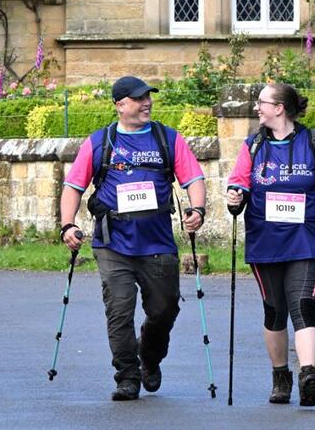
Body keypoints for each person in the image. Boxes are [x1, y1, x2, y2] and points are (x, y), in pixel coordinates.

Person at [60, 76, 207, 401]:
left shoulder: (168, 139)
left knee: (165, 309)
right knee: (119, 310)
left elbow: (194, 178)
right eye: (139, 99)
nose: (146, 103)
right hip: (113, 243)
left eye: (148, 97)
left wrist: (198, 209)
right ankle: (127, 376)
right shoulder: (100, 142)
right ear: (120, 105)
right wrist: (67, 226)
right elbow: (73, 187)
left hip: (157, 243)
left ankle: (149, 358)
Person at [225, 82, 315, 407]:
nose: (257, 108)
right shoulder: (253, 145)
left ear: (279, 108)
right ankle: (280, 377)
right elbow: (239, 182)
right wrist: (234, 196)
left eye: (262, 103)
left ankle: (308, 373)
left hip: (305, 239)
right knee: (274, 311)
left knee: (303, 305)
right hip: (265, 240)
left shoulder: (313, 142)